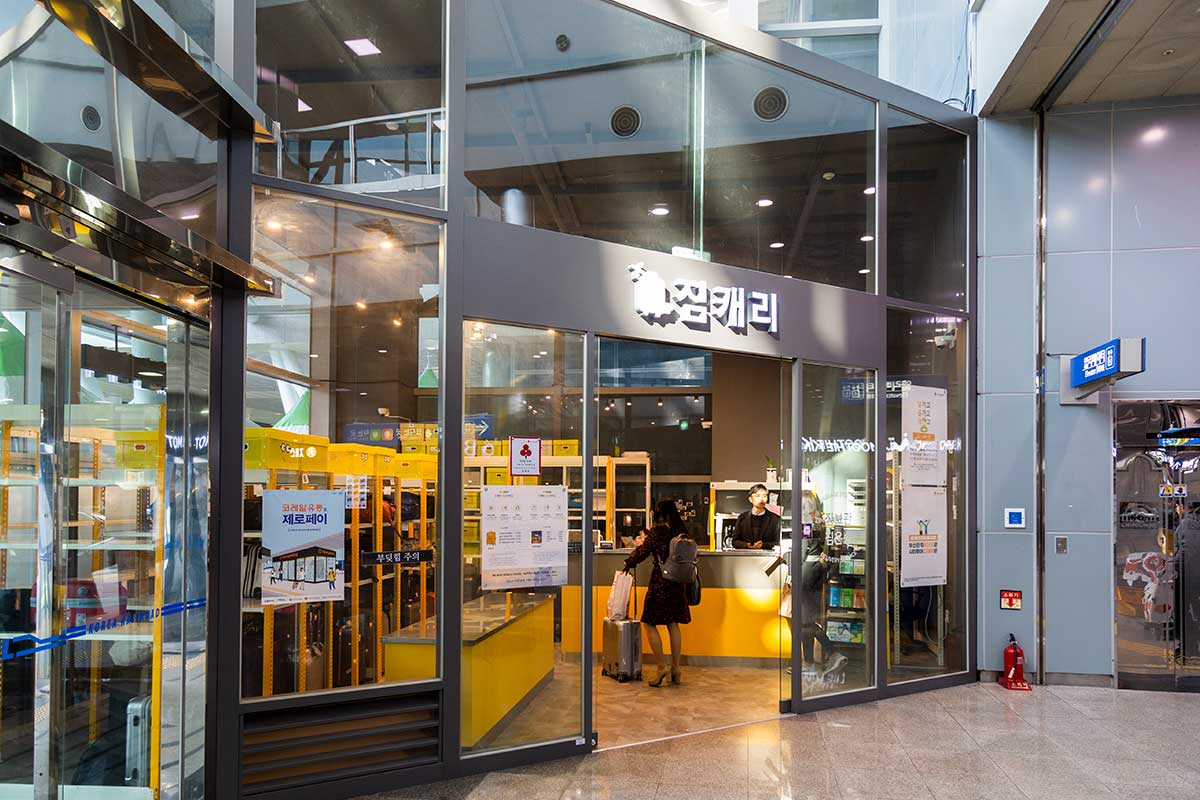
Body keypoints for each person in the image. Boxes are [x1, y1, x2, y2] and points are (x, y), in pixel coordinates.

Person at [623, 499, 691, 686]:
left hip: (660, 582)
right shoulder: (682, 530)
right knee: (673, 623)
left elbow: (643, 551)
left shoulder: (658, 532)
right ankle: (676, 668)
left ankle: (661, 667)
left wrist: (629, 561)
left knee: (649, 622)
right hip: (678, 583)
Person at [797, 491, 847, 677]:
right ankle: (814, 660)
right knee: (807, 620)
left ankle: (828, 654)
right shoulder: (820, 522)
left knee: (805, 622)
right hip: (817, 571)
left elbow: (801, 553)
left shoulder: (805, 525)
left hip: (806, 572)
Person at [731, 484, 782, 550]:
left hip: (767, 555)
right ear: (750, 499)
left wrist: (764, 545)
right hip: (746, 555)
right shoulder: (742, 517)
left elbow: (778, 542)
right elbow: (735, 541)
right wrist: (746, 545)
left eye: (764, 496)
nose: (761, 499)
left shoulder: (775, 519)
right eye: (758, 496)